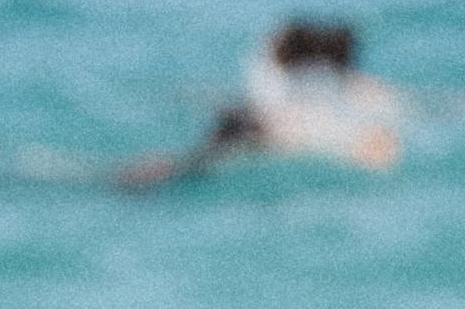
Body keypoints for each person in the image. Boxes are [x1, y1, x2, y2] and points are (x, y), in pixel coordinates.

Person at [114, 16, 406, 187]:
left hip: (248, 116)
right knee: (194, 165)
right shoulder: (363, 89)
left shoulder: (281, 76)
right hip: (266, 130)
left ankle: (148, 170)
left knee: (191, 163)